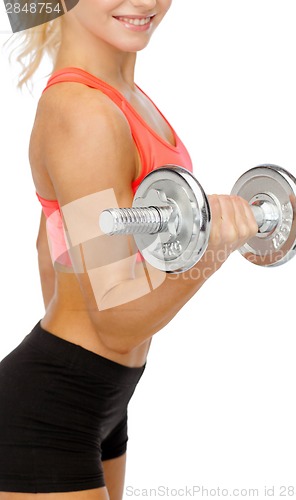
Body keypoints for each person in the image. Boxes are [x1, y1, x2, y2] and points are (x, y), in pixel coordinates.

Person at [0, 1, 258, 498]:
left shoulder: (124, 97)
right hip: (50, 413)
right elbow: (114, 324)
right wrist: (211, 253)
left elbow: (47, 245)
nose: (145, 2)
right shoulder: (82, 110)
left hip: (102, 395)